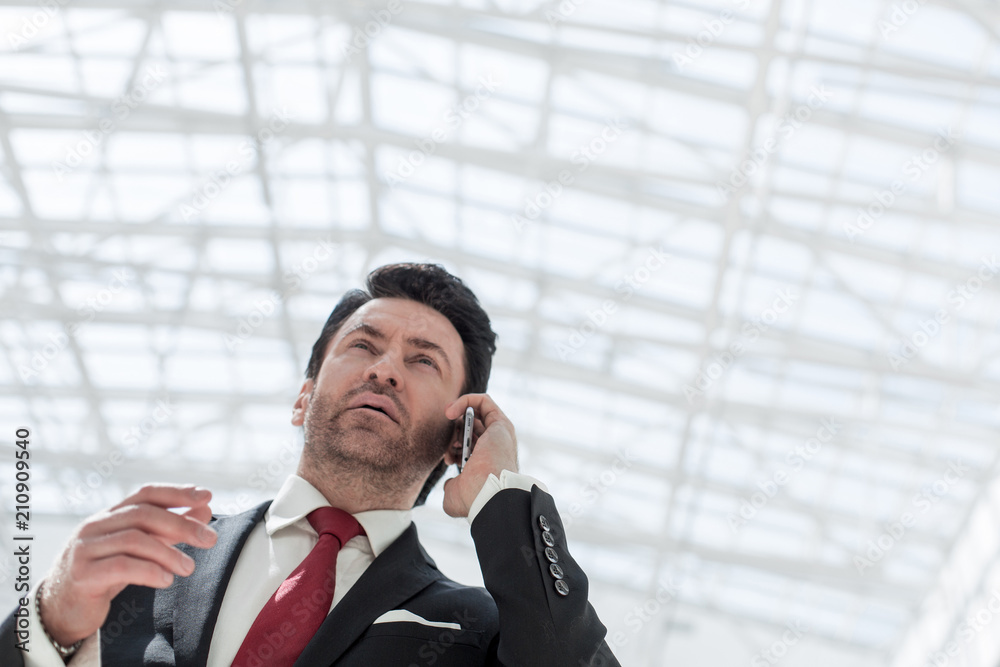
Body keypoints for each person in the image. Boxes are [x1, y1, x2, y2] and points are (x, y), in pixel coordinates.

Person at [1, 262, 621, 666]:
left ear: (454, 436)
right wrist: (51, 623)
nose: (385, 369)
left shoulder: (476, 628)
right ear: (304, 397)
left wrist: (501, 498)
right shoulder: (149, 560)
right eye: (363, 345)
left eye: (423, 360)